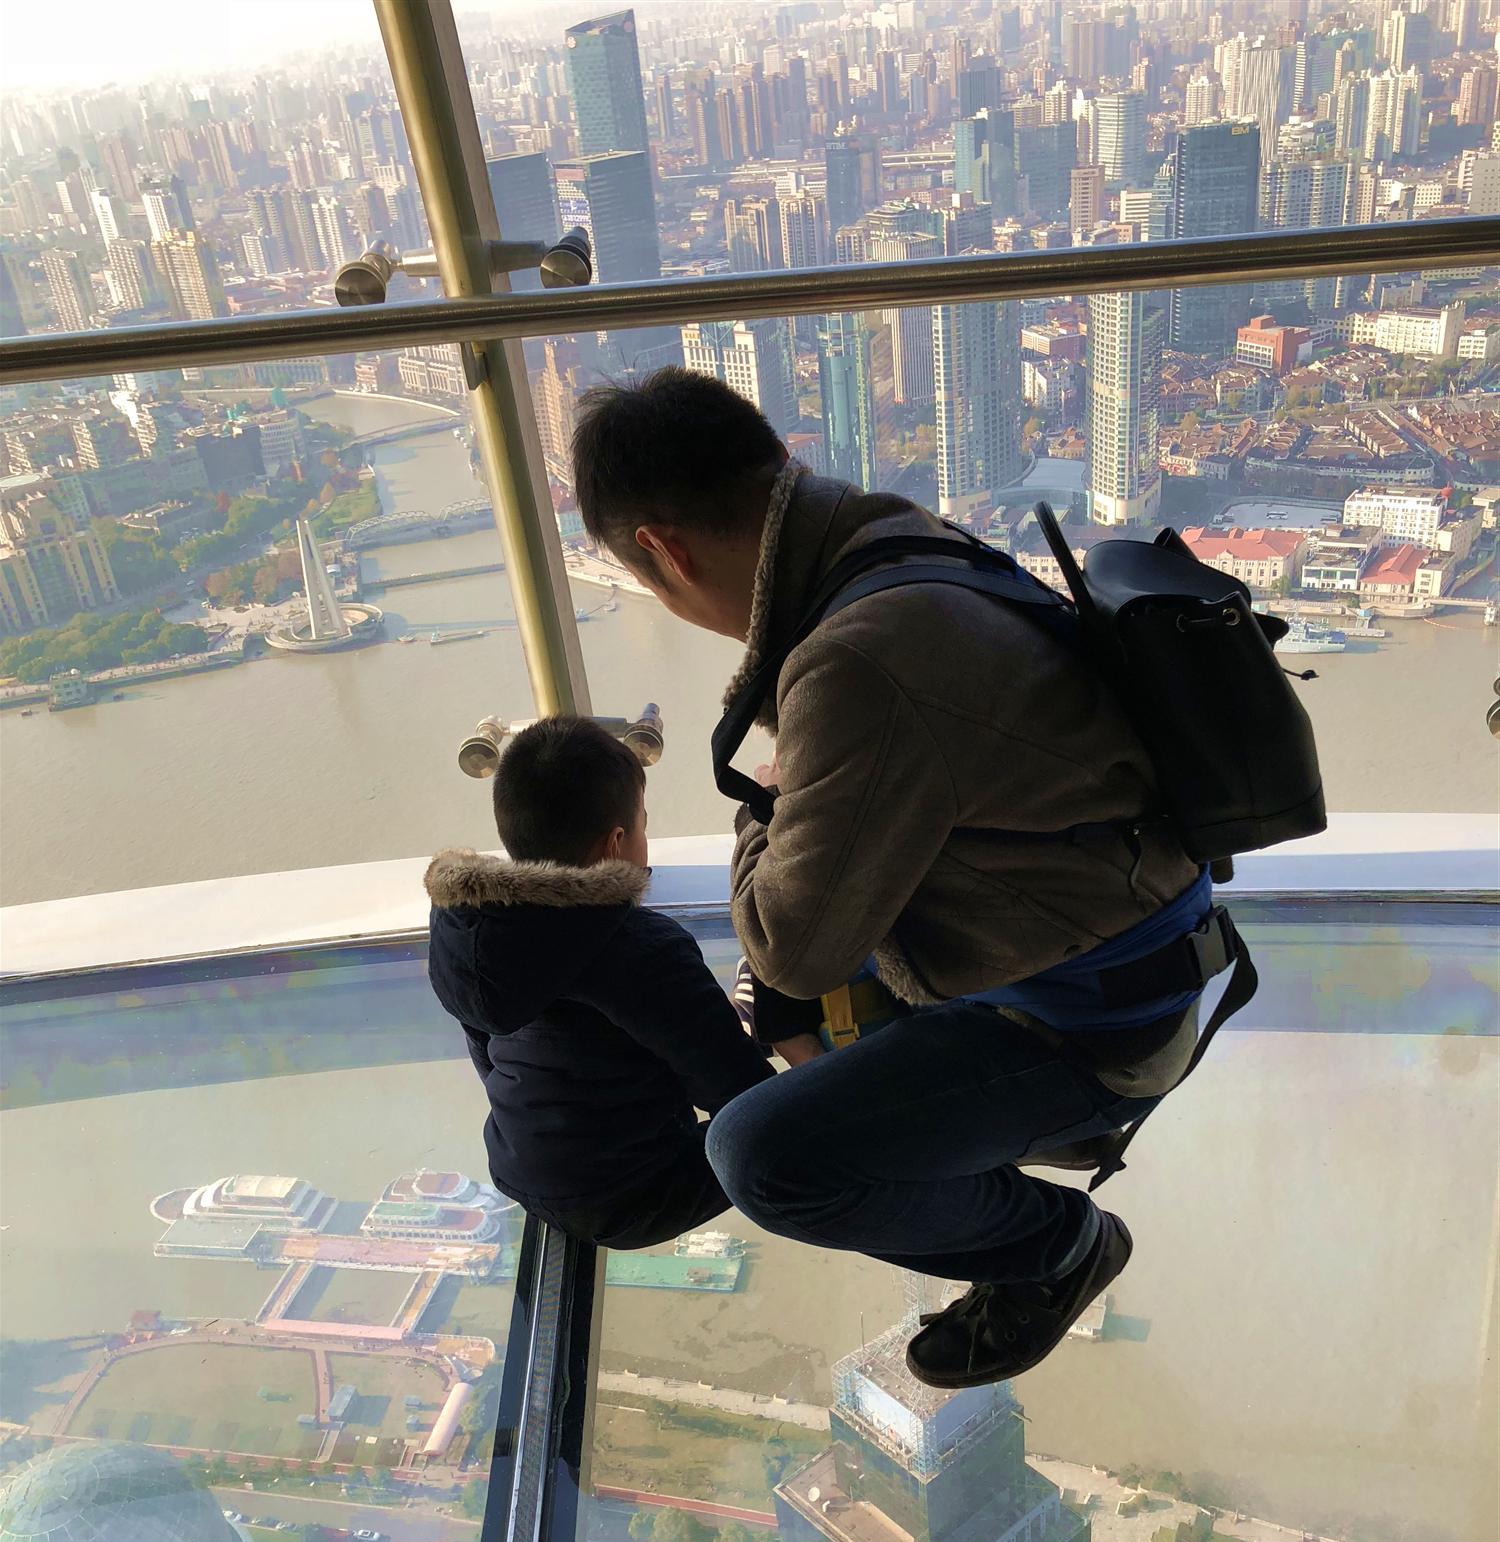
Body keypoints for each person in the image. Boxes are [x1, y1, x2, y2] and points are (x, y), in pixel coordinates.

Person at [570, 369, 1214, 1386]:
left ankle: (1056, 1246)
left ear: (665, 551)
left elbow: (792, 947)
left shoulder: (856, 663)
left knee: (762, 1155)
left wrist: (766, 798)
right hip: (1125, 935)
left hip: (1089, 1028)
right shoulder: (890, 537)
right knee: (773, 999)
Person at [424, 714, 778, 1250]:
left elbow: (487, 1055)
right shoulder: (642, 948)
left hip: (515, 1169)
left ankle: (733, 1019)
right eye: (642, 825)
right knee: (790, 1121)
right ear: (616, 842)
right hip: (640, 1198)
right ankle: (741, 1019)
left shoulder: (467, 932)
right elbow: (739, 1094)